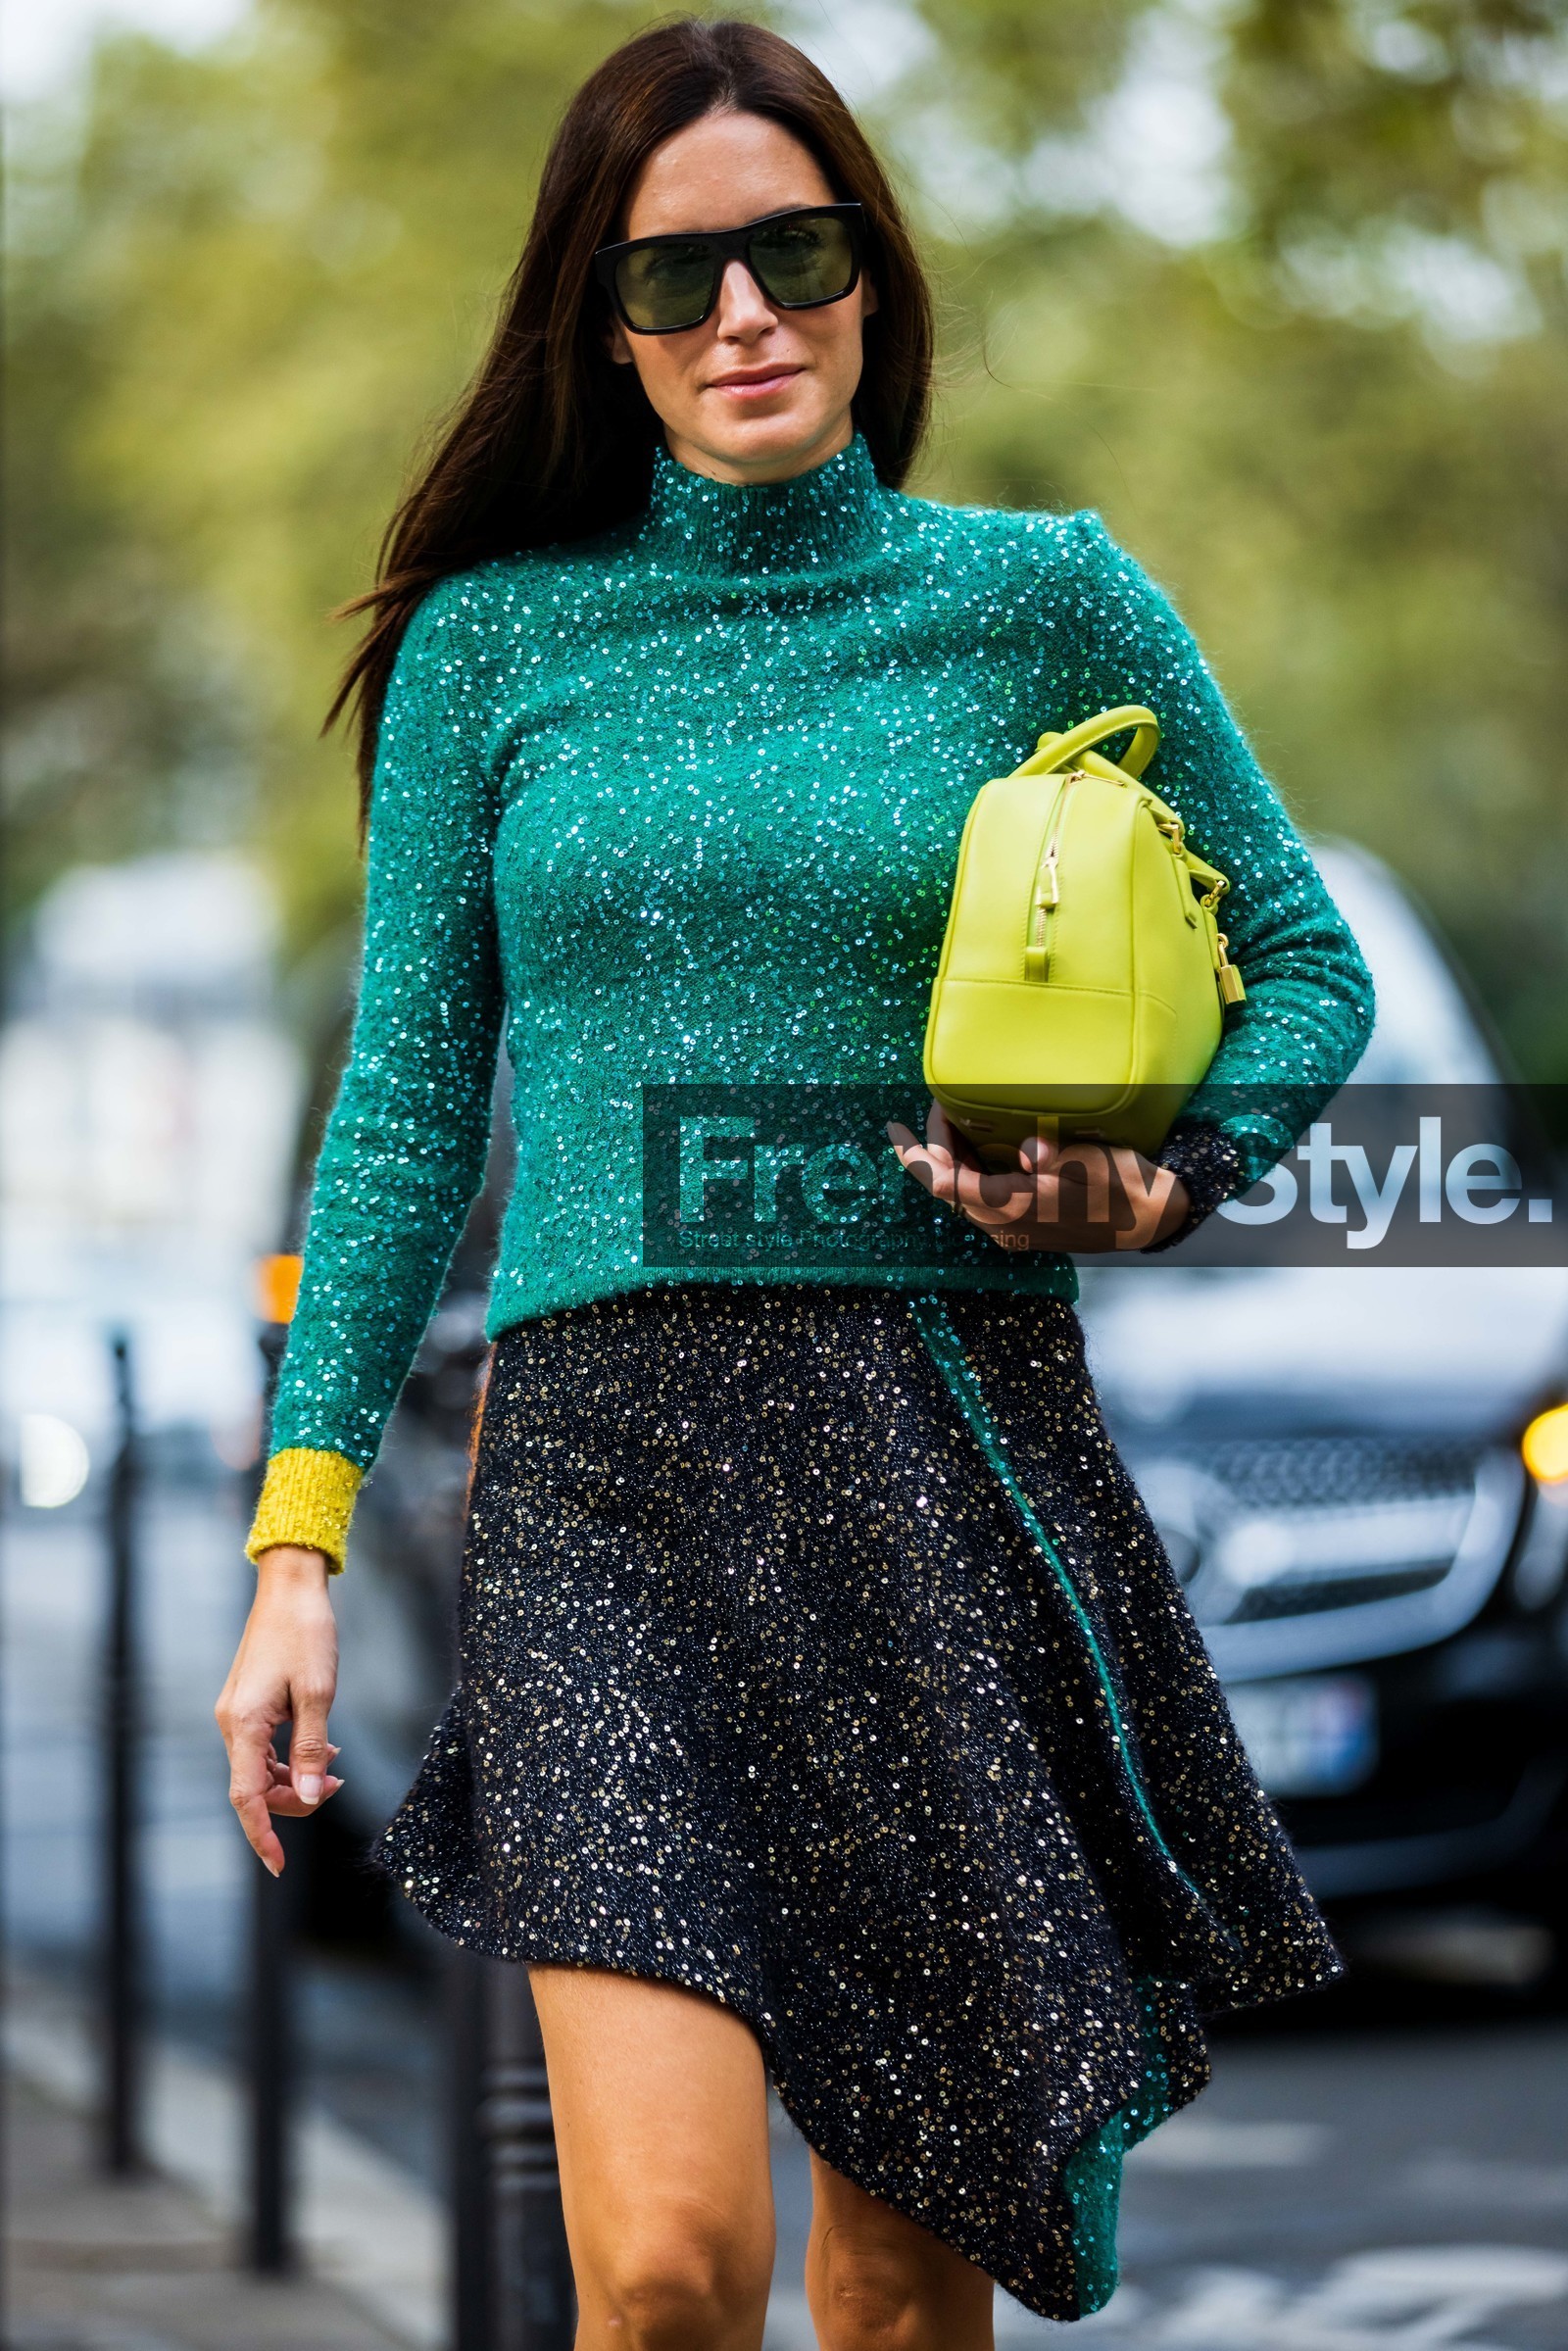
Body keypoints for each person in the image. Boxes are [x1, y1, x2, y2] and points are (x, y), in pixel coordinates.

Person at [216, 19, 1374, 2349]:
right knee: (661, 2269)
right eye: (674, 279)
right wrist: (299, 1532)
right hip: (599, 1489)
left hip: (934, 1455)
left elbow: (1305, 963)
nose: (743, 314)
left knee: (895, 2268)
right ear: (602, 325)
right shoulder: (492, 643)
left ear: (868, 278)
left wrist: (1162, 1184)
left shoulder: (1038, 596)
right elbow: (408, 1106)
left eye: (793, 250)